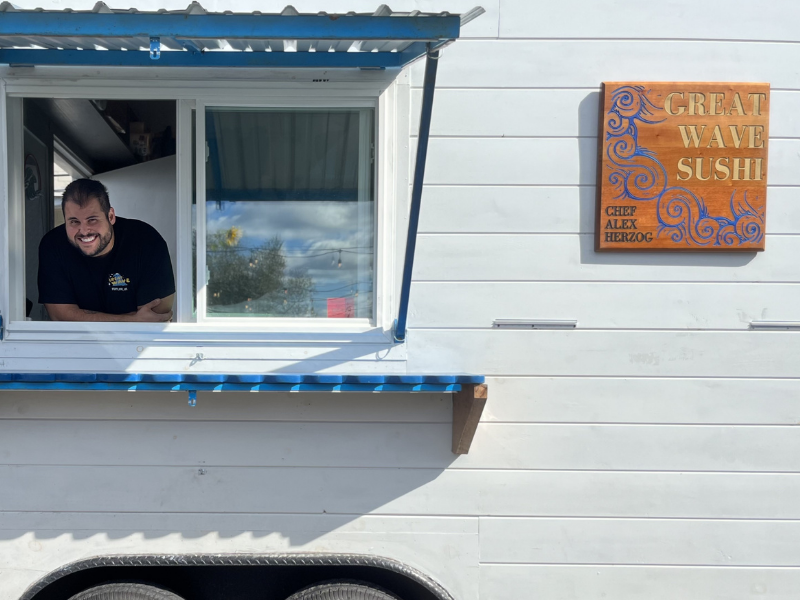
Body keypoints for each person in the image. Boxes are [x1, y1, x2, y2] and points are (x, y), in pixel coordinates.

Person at [38, 178, 175, 322]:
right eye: (74, 222)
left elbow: (155, 318)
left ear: (110, 216)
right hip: (76, 343)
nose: (84, 231)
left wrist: (82, 317)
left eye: (92, 220)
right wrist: (130, 320)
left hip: (138, 344)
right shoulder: (53, 246)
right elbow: (61, 316)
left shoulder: (146, 241)